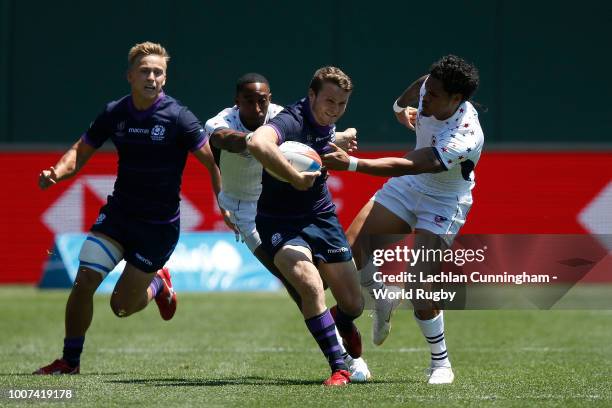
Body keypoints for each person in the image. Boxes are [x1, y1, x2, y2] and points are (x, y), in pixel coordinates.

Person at [34, 42, 221, 375]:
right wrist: (56, 173)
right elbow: (81, 150)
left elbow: (211, 162)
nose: (152, 77)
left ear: (165, 78)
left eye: (158, 72)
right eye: (145, 71)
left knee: (121, 307)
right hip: (119, 215)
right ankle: (70, 361)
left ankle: (158, 286)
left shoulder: (179, 116)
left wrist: (226, 201)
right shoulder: (114, 113)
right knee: (84, 280)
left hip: (158, 227)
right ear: (130, 76)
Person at [322, 55, 483, 385]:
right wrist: (399, 107)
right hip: (410, 186)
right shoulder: (431, 87)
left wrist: (351, 164)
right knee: (350, 250)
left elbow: (410, 164)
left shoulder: (465, 136)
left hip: (444, 198)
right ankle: (381, 296)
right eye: (429, 89)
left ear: (457, 99)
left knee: (420, 286)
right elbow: (419, 85)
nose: (427, 97)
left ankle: (441, 364)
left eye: (435, 95)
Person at [204, 73, 370, 382]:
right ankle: (341, 362)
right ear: (236, 102)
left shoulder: (290, 114)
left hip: (315, 213)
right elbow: (240, 141)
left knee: (351, 302)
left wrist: (335, 138)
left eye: (262, 100)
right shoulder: (244, 121)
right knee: (302, 284)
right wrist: (284, 156)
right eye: (249, 101)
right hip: (254, 211)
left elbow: (313, 140)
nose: (257, 107)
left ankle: (340, 322)